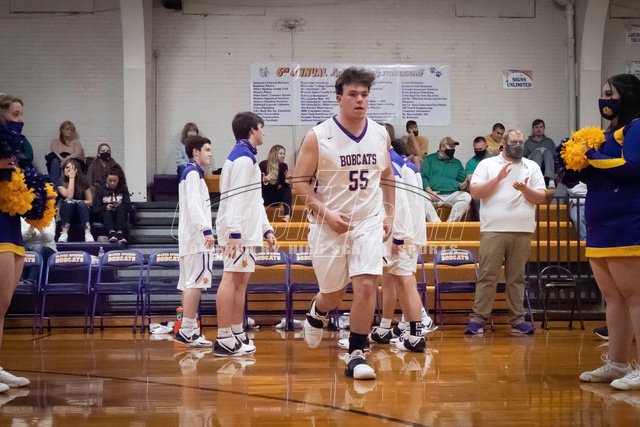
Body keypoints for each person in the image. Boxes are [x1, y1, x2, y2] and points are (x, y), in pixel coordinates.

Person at [292, 67, 395, 380]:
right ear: (339, 98)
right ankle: (318, 310)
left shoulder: (380, 133)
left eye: (364, 94)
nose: (360, 100)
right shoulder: (318, 136)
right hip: (328, 224)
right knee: (333, 293)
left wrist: (389, 213)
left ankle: (357, 353)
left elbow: (387, 176)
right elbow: (298, 182)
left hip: (367, 221)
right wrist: (326, 213)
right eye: (353, 94)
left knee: (366, 284)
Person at [577, 74, 640, 390]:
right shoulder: (604, 134)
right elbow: (599, 175)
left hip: (628, 224)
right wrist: (573, 164)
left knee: (636, 296)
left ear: (626, 95)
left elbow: (631, 167)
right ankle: (617, 363)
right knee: (613, 298)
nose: (604, 99)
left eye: (609, 93)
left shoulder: (636, 127)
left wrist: (590, 155)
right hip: (599, 225)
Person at [465, 129, 546, 336]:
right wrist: (498, 178)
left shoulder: (531, 166)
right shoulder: (487, 165)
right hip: (493, 229)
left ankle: (518, 319)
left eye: (521, 142)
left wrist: (525, 189)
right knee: (487, 275)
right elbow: (475, 192)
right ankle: (478, 318)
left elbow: (540, 197)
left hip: (522, 230)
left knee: (516, 277)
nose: (518, 146)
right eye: (514, 142)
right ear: (504, 143)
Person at [215, 112, 276, 357]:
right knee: (230, 279)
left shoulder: (246, 156)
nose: (264, 132)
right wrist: (234, 233)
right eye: (262, 127)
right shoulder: (242, 159)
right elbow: (236, 198)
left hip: (246, 230)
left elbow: (255, 200)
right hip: (237, 231)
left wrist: (266, 228)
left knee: (241, 282)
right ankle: (223, 336)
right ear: (252, 130)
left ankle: (236, 331)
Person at [368, 148, 436, 352]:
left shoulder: (391, 166)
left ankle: (417, 328)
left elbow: (400, 204)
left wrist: (398, 236)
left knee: (404, 281)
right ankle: (391, 328)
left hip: (400, 233)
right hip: (407, 230)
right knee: (392, 280)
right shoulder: (403, 163)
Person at [173, 135, 216, 347]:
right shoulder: (192, 173)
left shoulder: (191, 173)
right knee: (195, 284)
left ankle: (189, 329)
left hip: (189, 238)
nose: (210, 154)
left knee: (189, 284)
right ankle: (187, 330)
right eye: (207, 149)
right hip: (196, 238)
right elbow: (194, 206)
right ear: (195, 152)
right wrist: (206, 230)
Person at [0, 126, 31, 391]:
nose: (19, 121)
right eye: (14, 114)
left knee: (3, 306)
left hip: (12, 230)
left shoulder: (15, 155)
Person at [420, 137, 471, 222]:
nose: (453, 149)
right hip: (434, 193)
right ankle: (436, 223)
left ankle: (450, 223)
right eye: (451, 147)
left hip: (452, 195)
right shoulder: (429, 159)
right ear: (443, 147)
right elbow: (424, 177)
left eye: (454, 147)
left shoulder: (457, 163)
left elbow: (462, 181)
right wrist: (430, 192)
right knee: (420, 196)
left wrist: (464, 186)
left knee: (466, 196)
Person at [56, 158, 93, 243]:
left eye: (71, 168)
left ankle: (88, 233)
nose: (68, 170)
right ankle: (64, 233)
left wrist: (77, 202)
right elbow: (69, 196)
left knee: (81, 203)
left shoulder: (84, 181)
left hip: (80, 212)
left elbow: (90, 201)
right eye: (66, 168)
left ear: (76, 169)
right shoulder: (60, 182)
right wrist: (71, 178)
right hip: (66, 212)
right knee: (68, 202)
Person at [92, 165, 131, 244]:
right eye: (110, 180)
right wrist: (105, 207)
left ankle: (119, 233)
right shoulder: (100, 189)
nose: (112, 183)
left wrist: (120, 204)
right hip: (105, 215)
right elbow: (95, 209)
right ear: (106, 179)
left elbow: (128, 206)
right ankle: (112, 232)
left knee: (121, 208)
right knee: (107, 211)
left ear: (119, 180)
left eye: (115, 181)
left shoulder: (123, 189)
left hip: (119, 215)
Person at [259, 144, 292, 222]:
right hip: (265, 197)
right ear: (274, 154)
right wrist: (265, 180)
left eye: (284, 154)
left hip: (276, 197)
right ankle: (260, 218)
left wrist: (287, 182)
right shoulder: (263, 164)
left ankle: (287, 216)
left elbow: (283, 186)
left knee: (287, 189)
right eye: (280, 153)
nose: (283, 156)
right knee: (260, 190)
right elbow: (257, 183)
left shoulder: (284, 166)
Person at [0, 95, 34, 169]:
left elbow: (30, 156)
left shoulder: (19, 140)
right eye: (15, 115)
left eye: (21, 115)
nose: (21, 120)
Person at [21, 217, 56, 283]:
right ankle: (19, 281)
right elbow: (20, 238)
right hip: (27, 248)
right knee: (19, 250)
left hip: (48, 248)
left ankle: (31, 280)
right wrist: (31, 228)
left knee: (37, 247)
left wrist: (39, 225)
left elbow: (49, 238)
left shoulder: (49, 217)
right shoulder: (21, 219)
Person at [465, 136, 492, 220]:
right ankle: (480, 223)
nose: (478, 151)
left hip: (494, 188)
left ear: (486, 146)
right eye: (476, 149)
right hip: (480, 190)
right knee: (476, 198)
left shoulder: (494, 159)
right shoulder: (470, 163)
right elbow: (472, 181)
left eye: (480, 149)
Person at [523, 119, 557, 187]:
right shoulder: (528, 142)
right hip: (533, 163)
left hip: (547, 165)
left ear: (544, 128)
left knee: (547, 152)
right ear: (533, 129)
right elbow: (524, 157)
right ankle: (535, 178)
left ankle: (550, 180)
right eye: (536, 127)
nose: (539, 129)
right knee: (538, 152)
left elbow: (555, 156)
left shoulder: (549, 141)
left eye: (541, 127)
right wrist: (536, 151)